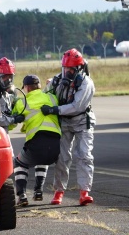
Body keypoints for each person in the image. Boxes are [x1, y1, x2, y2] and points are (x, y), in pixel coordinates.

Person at [41, 48, 96, 206]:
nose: (67, 72)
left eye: (71, 69)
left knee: (84, 155)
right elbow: (45, 95)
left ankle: (84, 192)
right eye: (65, 68)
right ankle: (59, 192)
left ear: (78, 69)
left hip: (81, 121)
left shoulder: (86, 83)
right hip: (64, 122)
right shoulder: (57, 80)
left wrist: (54, 110)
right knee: (61, 158)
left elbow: (76, 106)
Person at [0, 58, 51, 204]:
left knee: (9, 166)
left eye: (10, 77)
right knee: (2, 167)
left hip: (3, 134)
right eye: (4, 77)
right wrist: (14, 119)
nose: (8, 80)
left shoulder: (7, 94)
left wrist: (14, 118)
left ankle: (14, 196)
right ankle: (1, 198)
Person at [11, 74, 61, 207]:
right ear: (39, 86)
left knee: (19, 163)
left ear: (26, 88)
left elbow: (11, 124)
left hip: (37, 143)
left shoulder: (22, 102)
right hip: (56, 145)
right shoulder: (52, 97)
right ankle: (38, 191)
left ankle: (21, 195)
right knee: (43, 160)